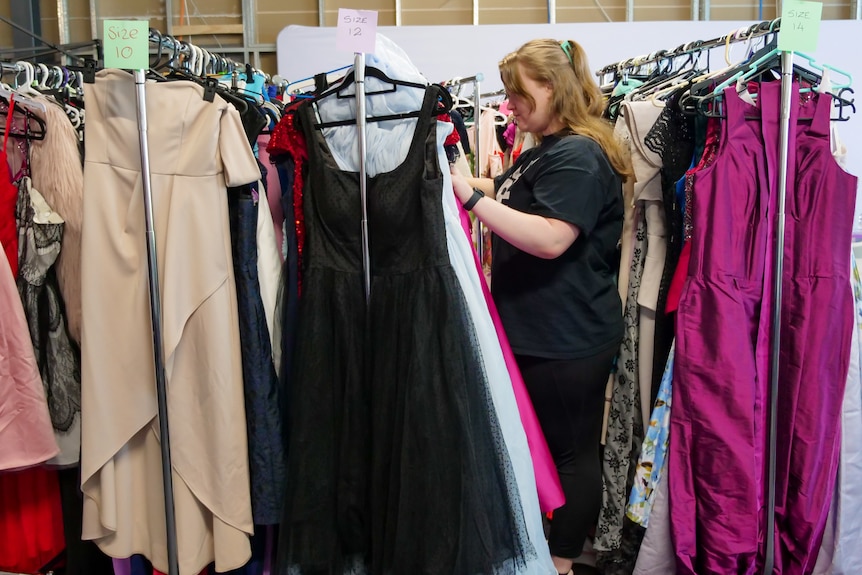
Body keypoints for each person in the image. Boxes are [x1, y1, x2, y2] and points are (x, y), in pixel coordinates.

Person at [450, 38, 632, 575]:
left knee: (572, 454)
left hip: (567, 336)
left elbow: (552, 237)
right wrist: (457, 181)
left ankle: (562, 561)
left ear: (553, 88)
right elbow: (511, 193)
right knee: (552, 450)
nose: (510, 106)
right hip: (543, 329)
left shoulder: (578, 154)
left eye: (519, 94)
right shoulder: (547, 148)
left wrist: (470, 200)